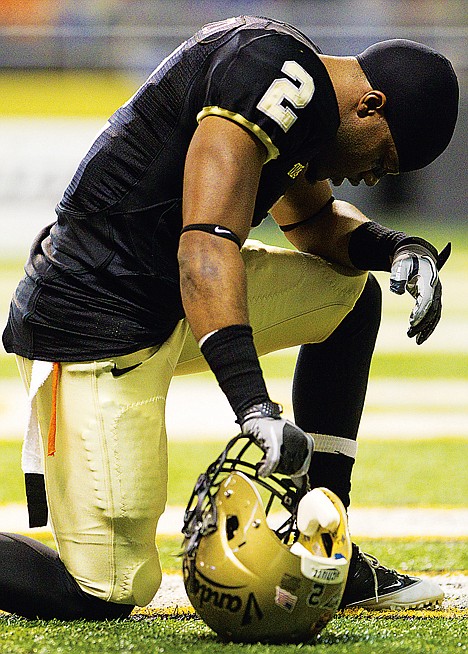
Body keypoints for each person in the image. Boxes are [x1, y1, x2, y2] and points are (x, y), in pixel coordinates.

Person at [1, 15, 458, 620]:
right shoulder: (272, 76)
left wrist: (396, 248)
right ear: (370, 107)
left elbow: (315, 225)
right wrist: (255, 411)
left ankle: (323, 533)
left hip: (164, 297)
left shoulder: (306, 96)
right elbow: (204, 250)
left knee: (349, 298)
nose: (367, 178)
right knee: (107, 590)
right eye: (381, 161)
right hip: (100, 318)